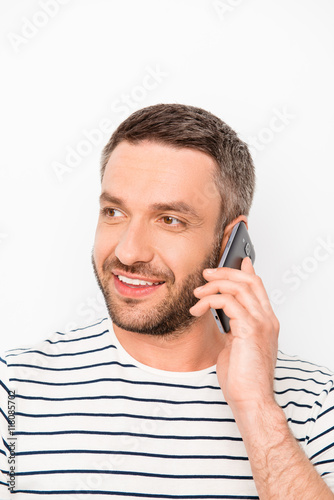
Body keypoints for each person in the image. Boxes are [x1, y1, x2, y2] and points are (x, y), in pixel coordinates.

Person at [1, 103, 333, 499]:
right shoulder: (14, 388)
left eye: (169, 219)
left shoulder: (318, 403)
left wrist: (256, 408)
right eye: (114, 211)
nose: (128, 251)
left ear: (230, 243)